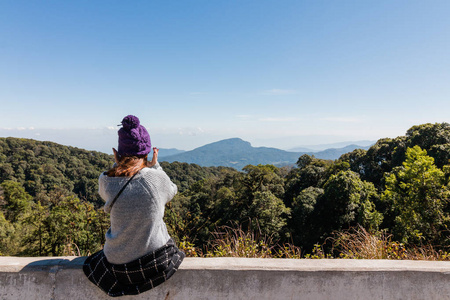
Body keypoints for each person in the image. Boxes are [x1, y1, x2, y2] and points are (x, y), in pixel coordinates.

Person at [83, 115, 185, 297]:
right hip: (154, 263)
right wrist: (155, 167)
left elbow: (109, 189)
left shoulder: (105, 180)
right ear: (146, 152)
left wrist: (117, 163)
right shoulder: (155, 178)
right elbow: (172, 191)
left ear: (117, 152)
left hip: (117, 265)